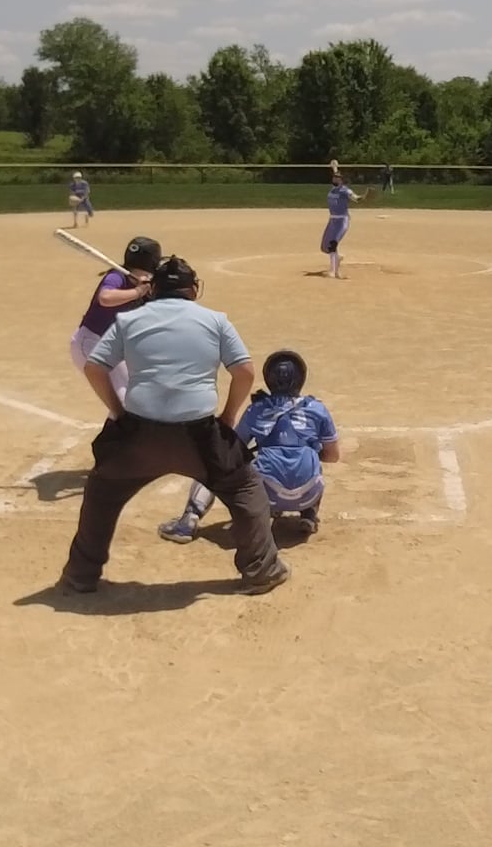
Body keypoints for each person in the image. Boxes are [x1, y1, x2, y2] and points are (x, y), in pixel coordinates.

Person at [61, 254, 291, 596]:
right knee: (245, 489)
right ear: (193, 289)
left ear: (153, 289)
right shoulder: (215, 320)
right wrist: (228, 418)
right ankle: (261, 570)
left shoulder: (129, 320)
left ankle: (82, 573)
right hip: (199, 437)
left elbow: (95, 367)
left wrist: (118, 412)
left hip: (138, 435)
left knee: (102, 490)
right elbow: (243, 372)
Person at [159, 348, 340, 544]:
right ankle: (308, 515)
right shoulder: (317, 408)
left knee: (217, 463)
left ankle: (188, 521)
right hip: (308, 494)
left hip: (266, 496)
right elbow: (333, 456)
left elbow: (233, 448)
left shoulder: (258, 408)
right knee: (312, 457)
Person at [70, 236, 162, 402]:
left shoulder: (145, 284)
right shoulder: (116, 276)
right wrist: (138, 292)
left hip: (110, 348)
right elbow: (105, 298)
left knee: (132, 396)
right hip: (91, 344)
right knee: (126, 401)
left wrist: (148, 291)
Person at [321, 160, 364, 279]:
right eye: (334, 177)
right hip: (332, 221)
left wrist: (363, 197)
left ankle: (333, 271)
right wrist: (334, 167)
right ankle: (337, 258)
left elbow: (355, 198)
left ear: (341, 180)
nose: (334, 179)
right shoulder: (333, 189)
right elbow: (336, 173)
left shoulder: (345, 190)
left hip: (342, 221)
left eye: (337, 178)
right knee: (325, 247)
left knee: (333, 243)